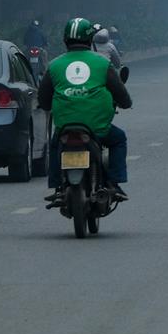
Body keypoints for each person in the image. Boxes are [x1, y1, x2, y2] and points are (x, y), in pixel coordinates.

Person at [39, 18, 133, 202]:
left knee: (55, 145)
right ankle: (114, 183)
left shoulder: (55, 65)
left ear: (65, 40)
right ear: (90, 40)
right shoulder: (102, 63)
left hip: (64, 127)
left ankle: (57, 185)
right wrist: (126, 103)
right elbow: (120, 92)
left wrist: (50, 105)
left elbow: (43, 99)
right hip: (98, 128)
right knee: (118, 139)